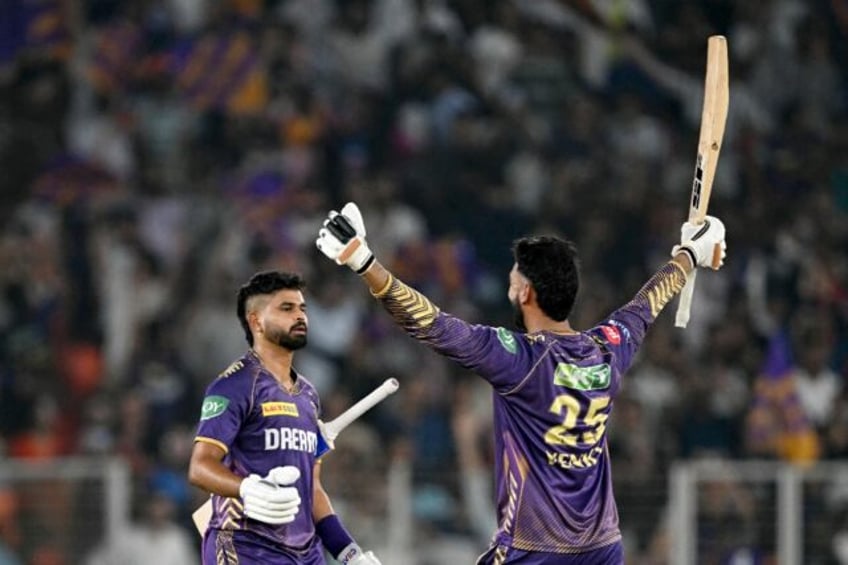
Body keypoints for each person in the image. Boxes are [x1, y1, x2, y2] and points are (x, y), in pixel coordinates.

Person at [316, 203, 727, 564]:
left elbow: (432, 324)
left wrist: (364, 263)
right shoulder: (608, 348)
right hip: (602, 547)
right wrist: (691, 253)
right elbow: (647, 303)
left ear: (527, 293)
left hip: (535, 549)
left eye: (515, 280)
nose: (511, 288)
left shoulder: (520, 358)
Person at [187, 271, 381, 565]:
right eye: (286, 308)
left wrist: (348, 552)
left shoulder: (308, 394)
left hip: (305, 553)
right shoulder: (234, 386)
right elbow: (200, 468)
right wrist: (247, 488)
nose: (300, 316)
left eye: (303, 308)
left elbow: (312, 489)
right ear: (256, 321)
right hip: (245, 545)